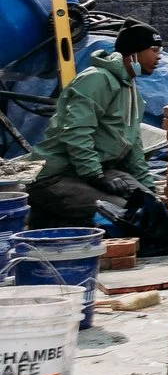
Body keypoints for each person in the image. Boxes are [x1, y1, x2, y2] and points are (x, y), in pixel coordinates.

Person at [28, 24, 160, 230]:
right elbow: (76, 132)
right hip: (58, 175)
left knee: (152, 208)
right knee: (127, 215)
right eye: (154, 50)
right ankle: (54, 221)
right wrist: (95, 176)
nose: (159, 57)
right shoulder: (97, 79)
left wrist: (151, 191)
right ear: (134, 53)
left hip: (95, 170)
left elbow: (133, 144)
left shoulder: (130, 88)